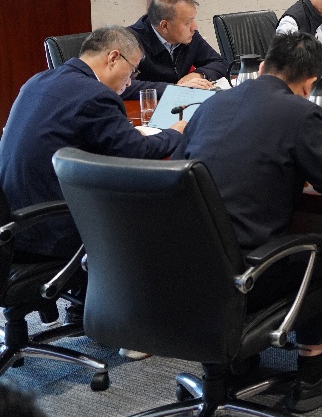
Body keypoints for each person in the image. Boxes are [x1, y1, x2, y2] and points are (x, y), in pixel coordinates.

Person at [174, 33, 322, 413]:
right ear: (309, 84)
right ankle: (313, 375)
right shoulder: (300, 113)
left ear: (261, 67)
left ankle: (236, 365)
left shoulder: (211, 105)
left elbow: (179, 170)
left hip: (180, 267)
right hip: (242, 277)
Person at [0, 26, 185, 260]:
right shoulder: (95, 95)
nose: (130, 82)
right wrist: (174, 133)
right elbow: (138, 152)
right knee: (159, 218)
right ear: (114, 58)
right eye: (132, 70)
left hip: (14, 220)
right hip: (52, 230)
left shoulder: (38, 80)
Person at [122, 0, 226, 100]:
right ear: (164, 26)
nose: (194, 27)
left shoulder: (190, 35)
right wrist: (175, 89)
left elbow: (219, 63)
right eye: (188, 22)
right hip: (144, 106)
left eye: (193, 20)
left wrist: (199, 74)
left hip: (180, 102)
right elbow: (121, 85)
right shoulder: (128, 41)